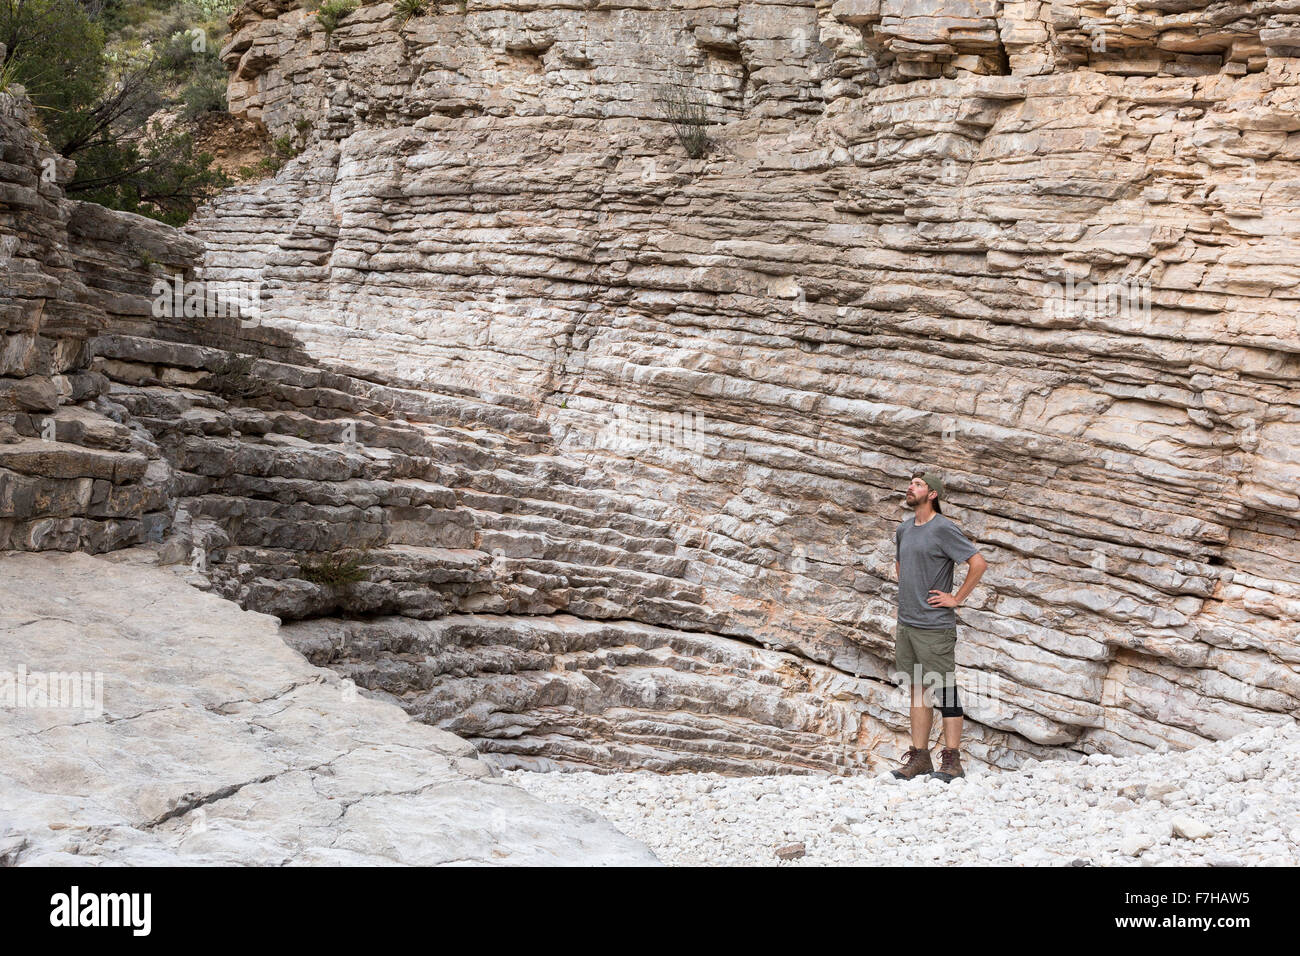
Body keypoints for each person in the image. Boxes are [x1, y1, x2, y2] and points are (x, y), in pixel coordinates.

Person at [890, 469, 987, 782]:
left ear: (932, 494)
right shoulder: (904, 530)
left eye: (917, 484)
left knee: (944, 691)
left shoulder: (943, 529)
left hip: (935, 626)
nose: (911, 487)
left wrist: (956, 598)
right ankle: (920, 758)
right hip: (907, 624)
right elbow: (901, 565)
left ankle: (953, 761)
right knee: (918, 689)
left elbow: (978, 563)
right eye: (910, 482)